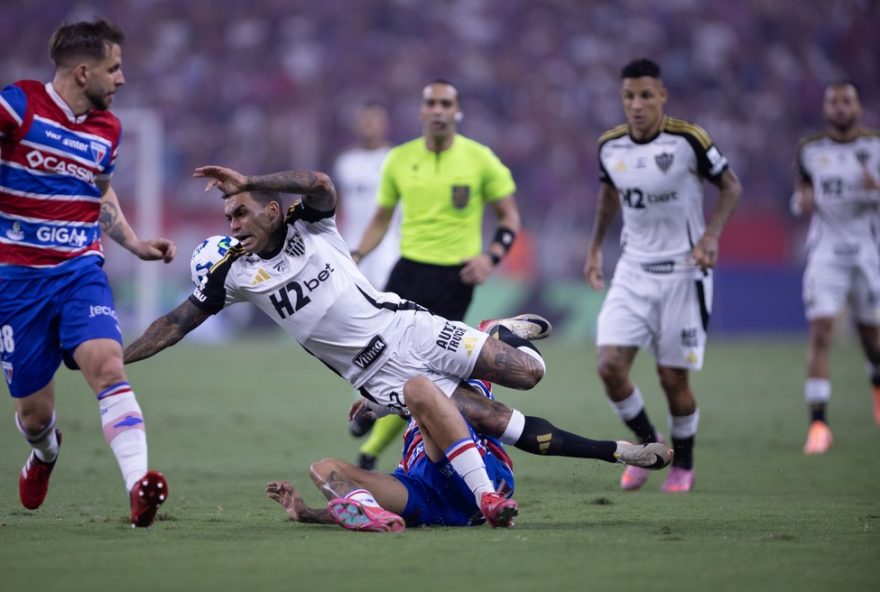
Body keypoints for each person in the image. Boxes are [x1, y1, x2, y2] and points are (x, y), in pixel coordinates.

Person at [124, 164, 672, 525]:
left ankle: (496, 333)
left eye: (241, 211)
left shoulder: (307, 224)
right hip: (380, 377)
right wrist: (113, 360)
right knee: (486, 415)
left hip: (410, 327)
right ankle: (499, 492)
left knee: (529, 374)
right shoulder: (234, 275)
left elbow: (318, 182)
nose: (234, 225)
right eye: (227, 218)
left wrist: (251, 178)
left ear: (272, 209)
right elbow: (174, 322)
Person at [0, 18, 176, 526]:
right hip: (17, 282)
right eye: (113, 68)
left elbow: (100, 194)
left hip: (80, 272)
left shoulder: (107, 129)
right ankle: (45, 453)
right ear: (82, 72)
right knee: (33, 415)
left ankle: (138, 488)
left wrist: (137, 244)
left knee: (108, 366)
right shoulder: (19, 104)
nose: (121, 79)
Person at [584, 58, 742, 493]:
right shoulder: (610, 146)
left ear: (662, 97)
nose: (636, 105)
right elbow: (608, 196)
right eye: (629, 96)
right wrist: (595, 247)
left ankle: (683, 463)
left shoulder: (689, 140)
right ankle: (648, 446)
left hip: (684, 273)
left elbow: (731, 185)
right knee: (609, 365)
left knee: (673, 379)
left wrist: (710, 237)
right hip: (633, 270)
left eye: (645, 96)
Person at [349, 79, 522, 470]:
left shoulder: (480, 159)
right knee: (383, 356)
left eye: (446, 103)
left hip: (454, 277)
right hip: (407, 271)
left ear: (456, 111)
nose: (439, 110)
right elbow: (380, 219)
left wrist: (492, 257)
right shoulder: (399, 159)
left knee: (425, 369)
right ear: (422, 111)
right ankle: (377, 415)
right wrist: (358, 252)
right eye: (432, 103)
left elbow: (509, 216)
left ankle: (372, 447)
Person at [266, 379, 514, 532]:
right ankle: (372, 514)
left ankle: (488, 497)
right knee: (322, 468)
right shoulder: (414, 399)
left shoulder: (466, 377)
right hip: (426, 496)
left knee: (419, 389)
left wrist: (383, 403)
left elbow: (425, 393)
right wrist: (308, 514)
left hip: (475, 477)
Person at [791, 82, 880, 454]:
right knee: (821, 331)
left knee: (871, 339)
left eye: (846, 101)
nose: (840, 108)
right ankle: (819, 424)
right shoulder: (810, 150)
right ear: (825, 108)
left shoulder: (875, 147)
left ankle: (875, 386)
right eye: (833, 102)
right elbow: (801, 196)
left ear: (858, 107)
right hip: (825, 251)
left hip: (866, 250)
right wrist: (802, 201)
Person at [330, 101, 401, 464]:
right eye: (365, 119)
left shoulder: (399, 159)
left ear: (385, 122)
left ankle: (377, 405)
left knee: (394, 335)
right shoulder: (345, 163)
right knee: (361, 333)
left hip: (390, 254)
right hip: (354, 256)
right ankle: (373, 399)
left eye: (376, 118)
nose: (370, 125)